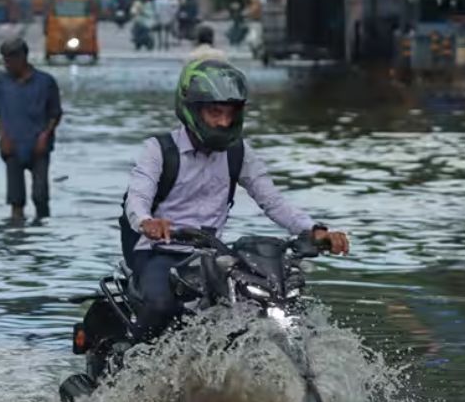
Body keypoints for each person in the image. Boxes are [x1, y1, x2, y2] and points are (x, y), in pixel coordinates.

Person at [121, 59, 350, 339]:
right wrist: (148, 222)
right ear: (191, 109)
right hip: (159, 252)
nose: (224, 121)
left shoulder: (238, 153)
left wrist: (313, 231)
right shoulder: (158, 149)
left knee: (257, 305)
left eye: (230, 113)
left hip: (212, 257)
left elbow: (273, 201)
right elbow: (138, 196)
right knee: (160, 305)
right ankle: (133, 366)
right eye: (215, 112)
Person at [0, 38, 63, 221]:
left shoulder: (46, 82)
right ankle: (17, 235)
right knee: (16, 201)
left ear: (22, 58)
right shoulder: (1, 82)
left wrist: (45, 136)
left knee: (40, 196)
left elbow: (55, 114)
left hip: (38, 145)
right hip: (12, 146)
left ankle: (42, 233)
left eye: (10, 60)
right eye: (4, 60)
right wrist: (2, 136)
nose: (6, 64)